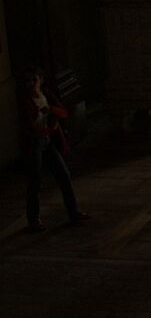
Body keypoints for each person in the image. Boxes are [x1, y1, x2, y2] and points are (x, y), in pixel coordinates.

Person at [19, 68, 89, 232]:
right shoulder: (26, 101)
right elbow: (30, 128)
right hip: (35, 143)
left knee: (64, 175)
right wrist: (51, 127)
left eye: (34, 80)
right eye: (29, 81)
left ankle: (74, 212)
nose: (32, 84)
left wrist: (50, 111)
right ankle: (33, 219)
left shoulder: (46, 94)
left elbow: (63, 112)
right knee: (35, 181)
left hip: (47, 142)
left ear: (40, 81)